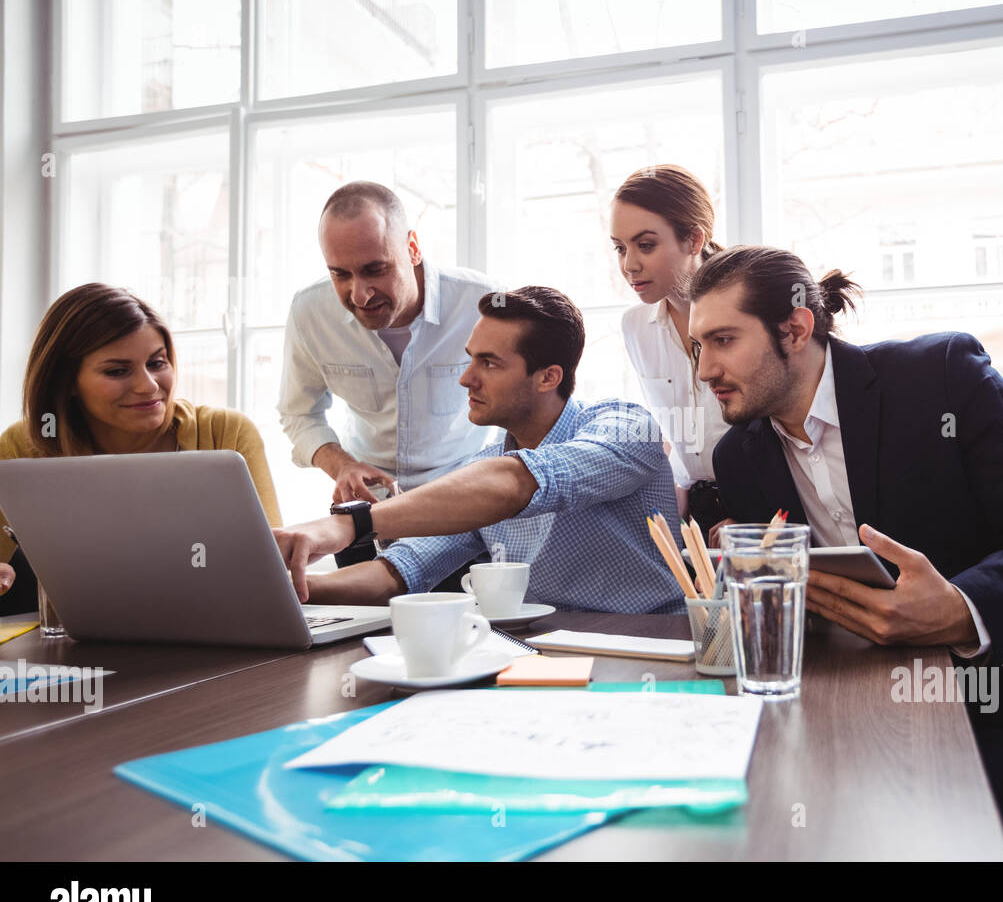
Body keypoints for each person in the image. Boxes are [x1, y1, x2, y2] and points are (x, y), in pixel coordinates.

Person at [689, 246, 1003, 860]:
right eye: (698, 347)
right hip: (869, 714)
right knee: (754, 810)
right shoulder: (739, 457)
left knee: (899, 834)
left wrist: (964, 608)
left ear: (796, 329)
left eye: (723, 340)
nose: (704, 369)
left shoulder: (939, 377)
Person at [272, 286, 683, 615]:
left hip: (650, 645)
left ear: (547, 377)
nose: (467, 379)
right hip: (542, 660)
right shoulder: (480, 476)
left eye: (489, 363)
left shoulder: (628, 429)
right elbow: (398, 572)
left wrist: (350, 525)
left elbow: (522, 482)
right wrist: (285, 585)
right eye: (471, 360)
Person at [0, 283, 281, 613]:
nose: (148, 386)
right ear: (67, 381)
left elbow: (274, 570)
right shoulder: (23, 446)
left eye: (157, 363)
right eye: (117, 371)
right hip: (76, 647)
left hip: (215, 632)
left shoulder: (224, 432)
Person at [278, 181, 499, 566]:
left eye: (374, 269)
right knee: (358, 625)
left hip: (466, 516)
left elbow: (522, 409)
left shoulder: (484, 303)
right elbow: (298, 413)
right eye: (340, 274)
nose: (360, 294)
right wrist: (341, 465)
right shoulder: (309, 312)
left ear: (412, 248)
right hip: (364, 518)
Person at [612, 165, 733, 540]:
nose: (628, 264)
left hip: (763, 508)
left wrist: (756, 511)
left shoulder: (745, 312)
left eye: (645, 245)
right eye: (620, 247)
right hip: (693, 518)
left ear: (694, 240)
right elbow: (676, 431)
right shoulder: (635, 327)